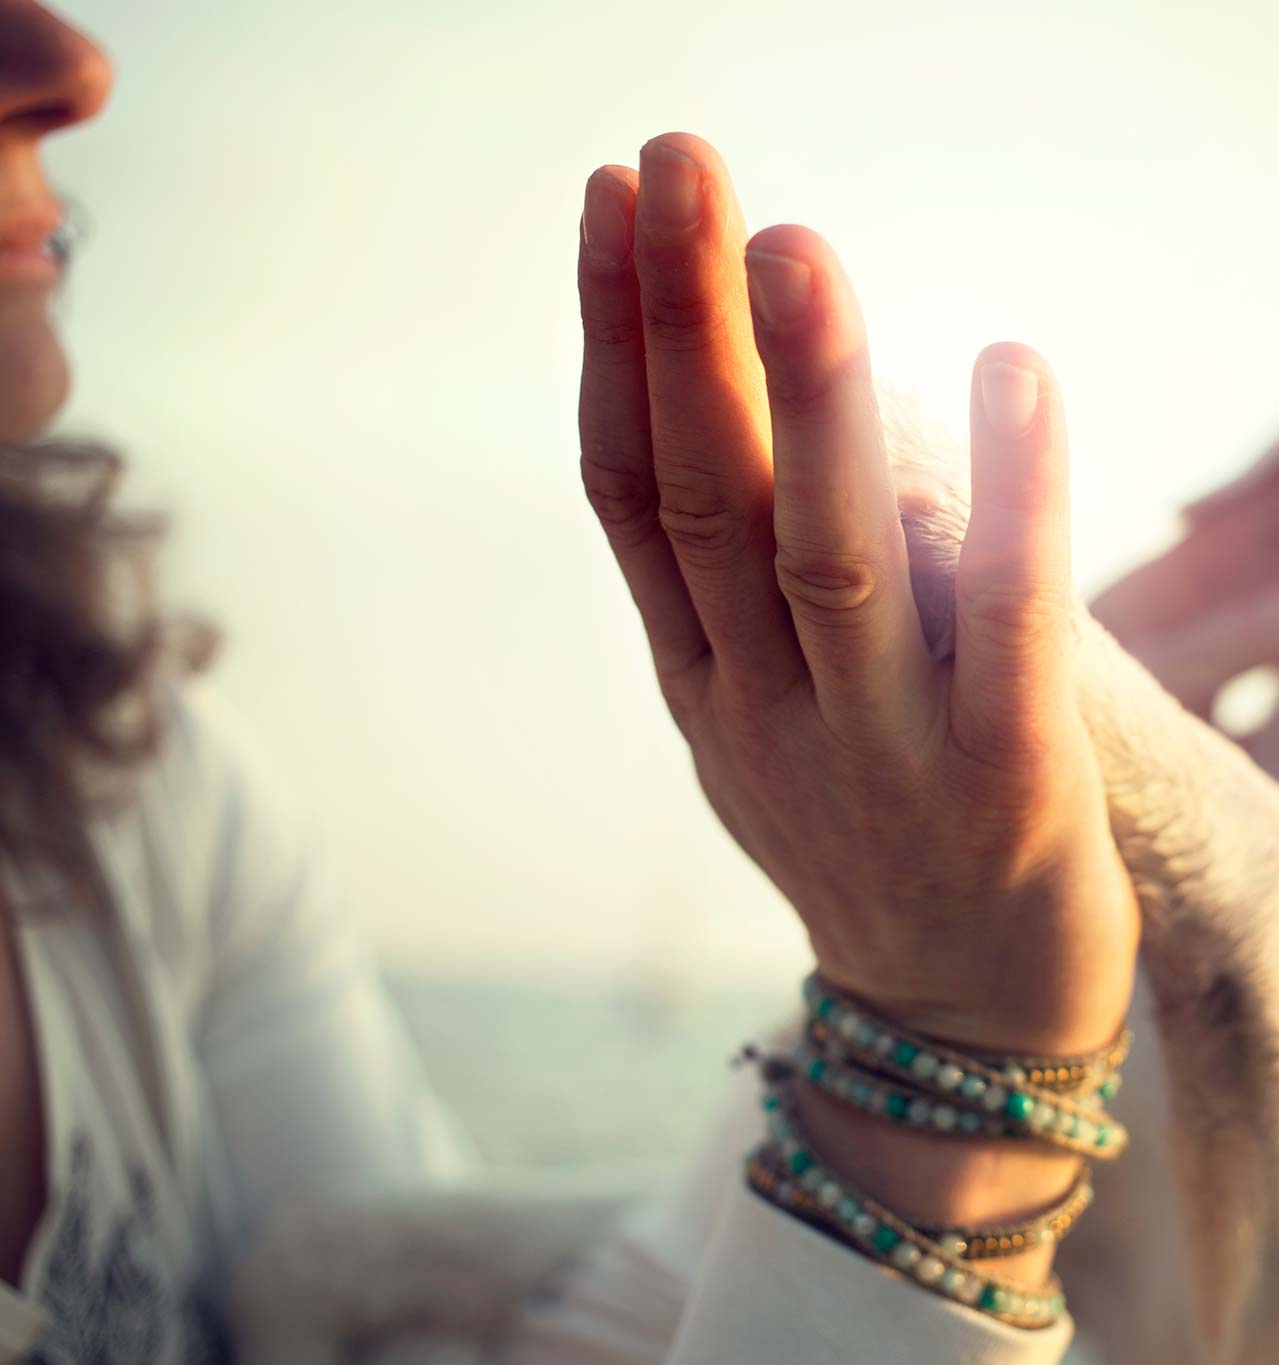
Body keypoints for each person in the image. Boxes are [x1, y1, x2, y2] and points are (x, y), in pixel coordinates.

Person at [0, 3, 1158, 1359]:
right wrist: (958, 1075)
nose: (71, 67)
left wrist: (909, 1002)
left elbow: (402, 1343)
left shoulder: (130, 777)